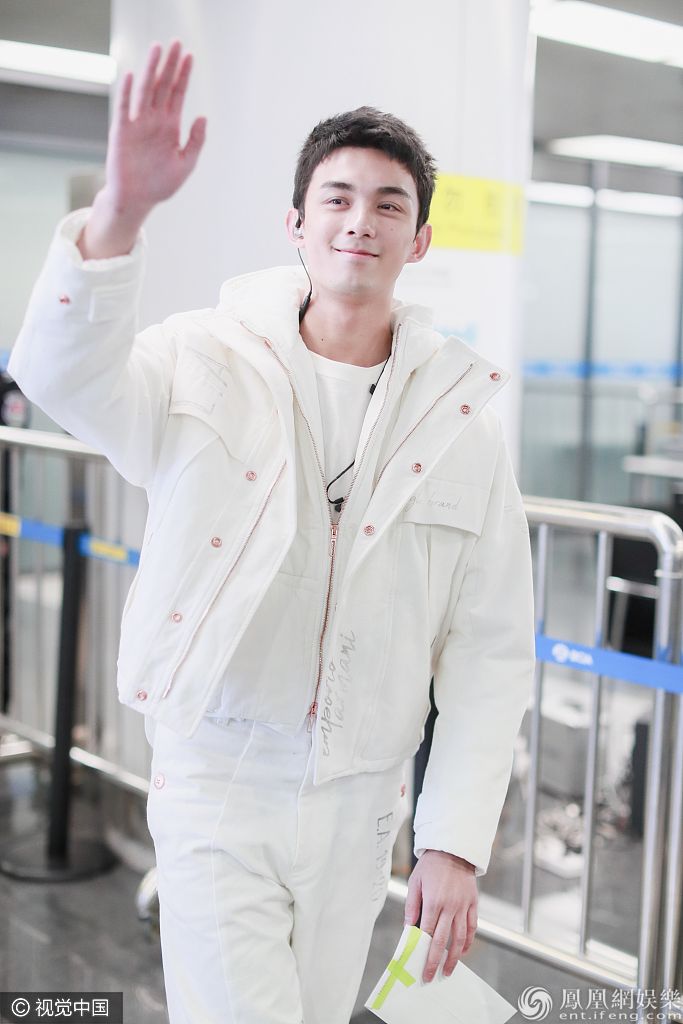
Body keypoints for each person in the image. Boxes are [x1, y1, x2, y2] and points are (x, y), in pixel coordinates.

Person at [9, 38, 536, 1024]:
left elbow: (490, 646)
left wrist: (451, 840)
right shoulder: (198, 359)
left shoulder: (461, 421)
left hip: (360, 803)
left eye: (388, 205)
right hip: (218, 775)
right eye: (336, 198)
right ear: (295, 222)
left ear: (419, 240)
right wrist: (121, 210)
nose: (359, 220)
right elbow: (59, 376)